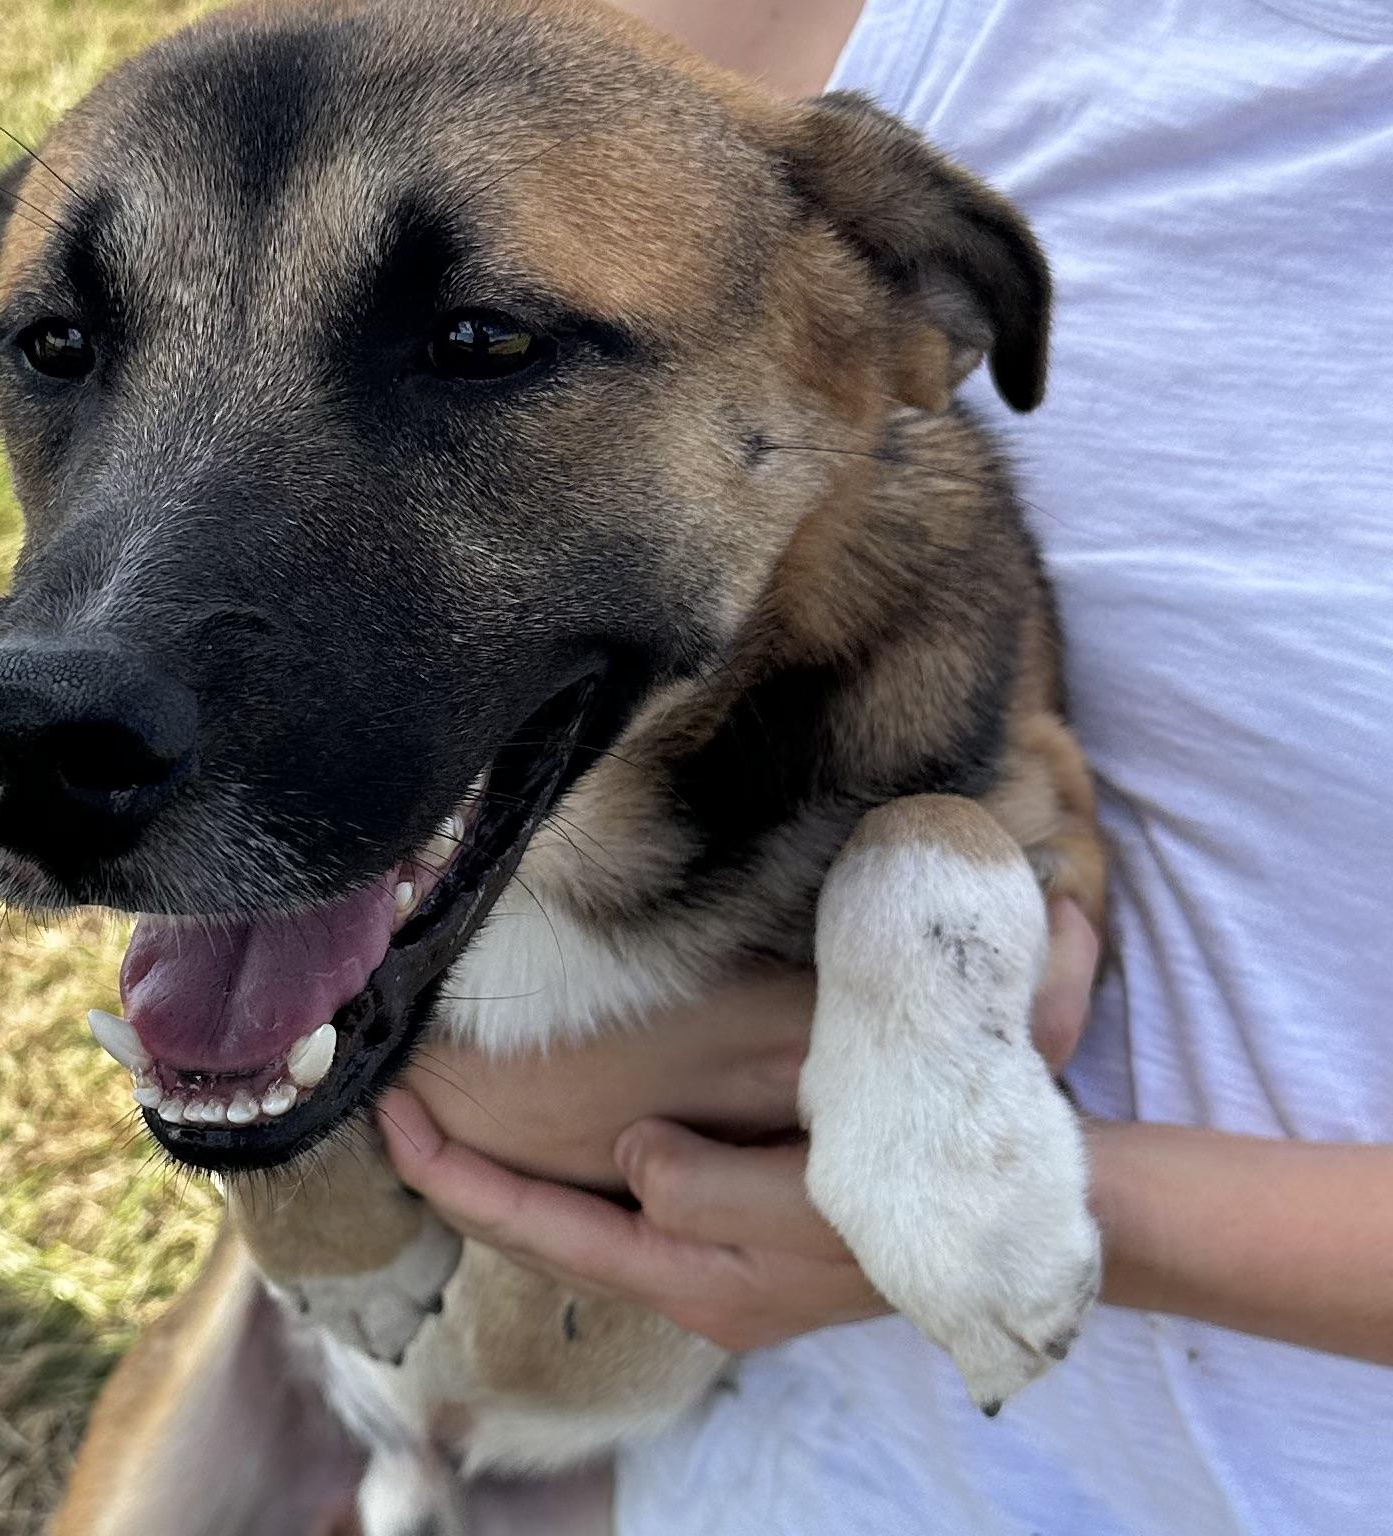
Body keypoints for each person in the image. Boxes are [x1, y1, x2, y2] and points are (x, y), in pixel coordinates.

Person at [380, 1, 1393, 1531]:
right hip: (748, 1454)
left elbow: (1024, 793)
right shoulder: (746, 99)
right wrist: (377, 1052)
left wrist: (1046, 1194)